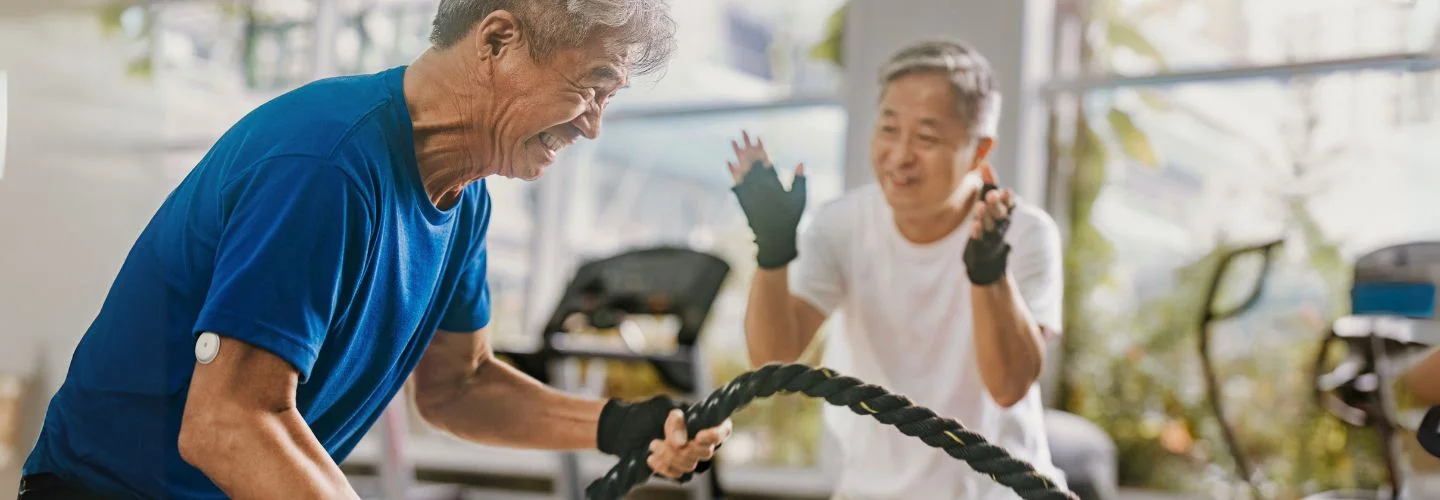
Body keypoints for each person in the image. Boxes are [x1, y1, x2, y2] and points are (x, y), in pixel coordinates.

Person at [18, 1, 730, 498]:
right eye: (591, 87)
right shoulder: (326, 161)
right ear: (496, 42)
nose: (594, 127)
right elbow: (228, 422)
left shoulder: (465, 196)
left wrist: (620, 426)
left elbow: (462, 386)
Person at [727, 39, 1066, 499]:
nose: (900, 155)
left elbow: (1008, 387)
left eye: (926, 138)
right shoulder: (842, 224)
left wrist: (989, 273)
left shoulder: (1023, 233)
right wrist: (772, 250)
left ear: (979, 150)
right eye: (889, 129)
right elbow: (772, 360)